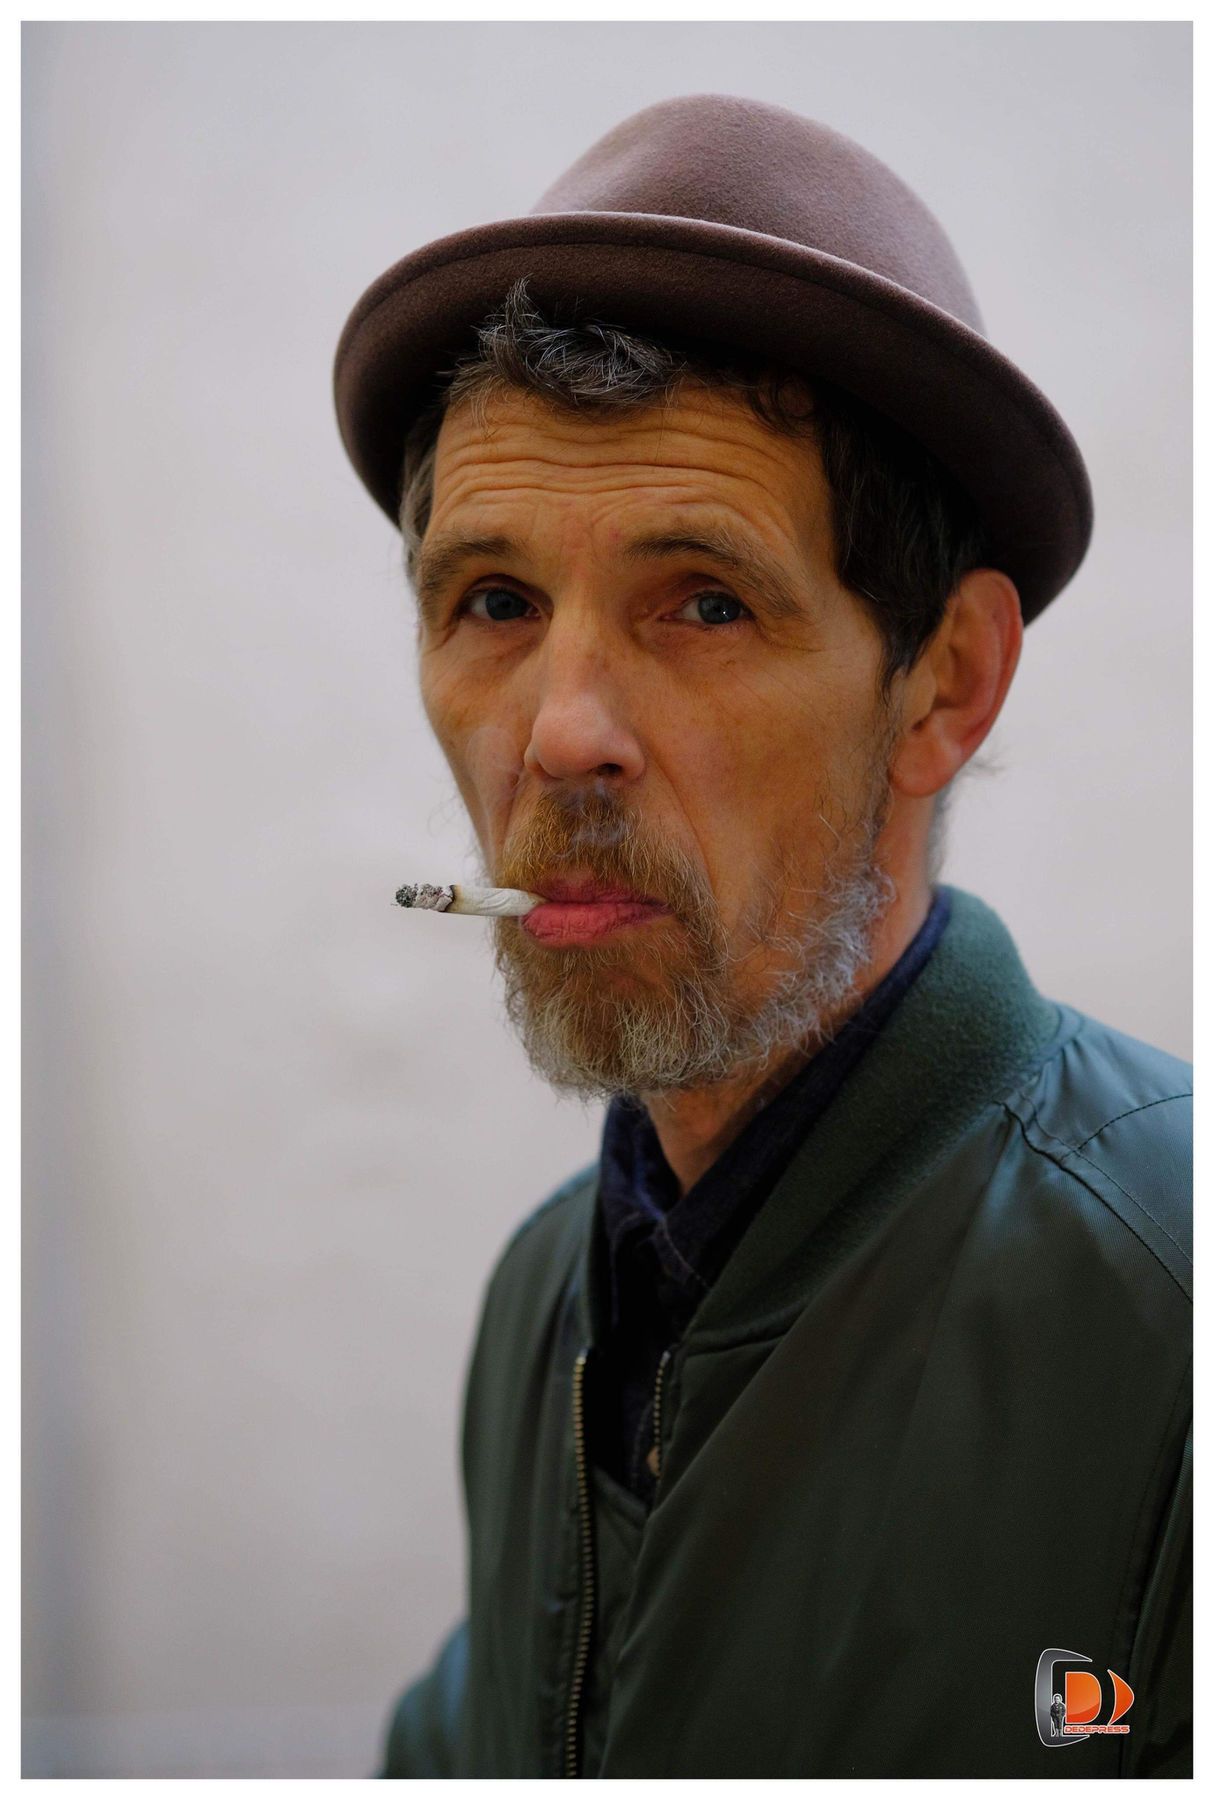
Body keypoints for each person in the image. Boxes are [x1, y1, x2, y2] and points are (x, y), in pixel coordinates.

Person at [333, 95, 1191, 1778]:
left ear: (943, 684)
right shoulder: (545, 1299)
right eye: (494, 602)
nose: (560, 734)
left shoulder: (1175, 1312)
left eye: (705, 602)